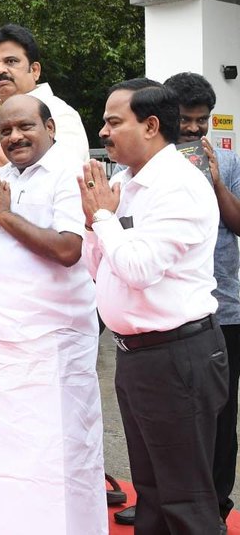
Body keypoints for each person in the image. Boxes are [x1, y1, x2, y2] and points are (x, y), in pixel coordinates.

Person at [0, 94, 105, 534]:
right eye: (5, 130)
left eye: (25, 127)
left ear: (51, 128)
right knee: (0, 461)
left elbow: (67, 249)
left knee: (53, 462)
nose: (14, 137)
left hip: (49, 347)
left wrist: (4, 214)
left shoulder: (68, 174)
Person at [79, 79, 226, 535]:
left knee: (186, 500)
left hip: (178, 356)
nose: (103, 132)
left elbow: (140, 269)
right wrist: (94, 223)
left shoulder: (178, 186)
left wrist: (104, 218)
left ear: (151, 125)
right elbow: (97, 269)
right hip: (137, 354)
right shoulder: (124, 185)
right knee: (153, 494)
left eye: (114, 121)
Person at [0, 24, 89, 295]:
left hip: (35, 273)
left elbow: (57, 176)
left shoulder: (59, 115)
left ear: (34, 70)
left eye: (11, 61)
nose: (0, 71)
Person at [163, 72, 240, 527]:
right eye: (186, 120)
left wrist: (214, 182)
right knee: (170, 422)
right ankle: (163, 505)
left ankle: (215, 507)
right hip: (167, 314)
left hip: (225, 311)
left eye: (202, 121)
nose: (194, 130)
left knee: (219, 419)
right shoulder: (147, 162)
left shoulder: (227, 162)